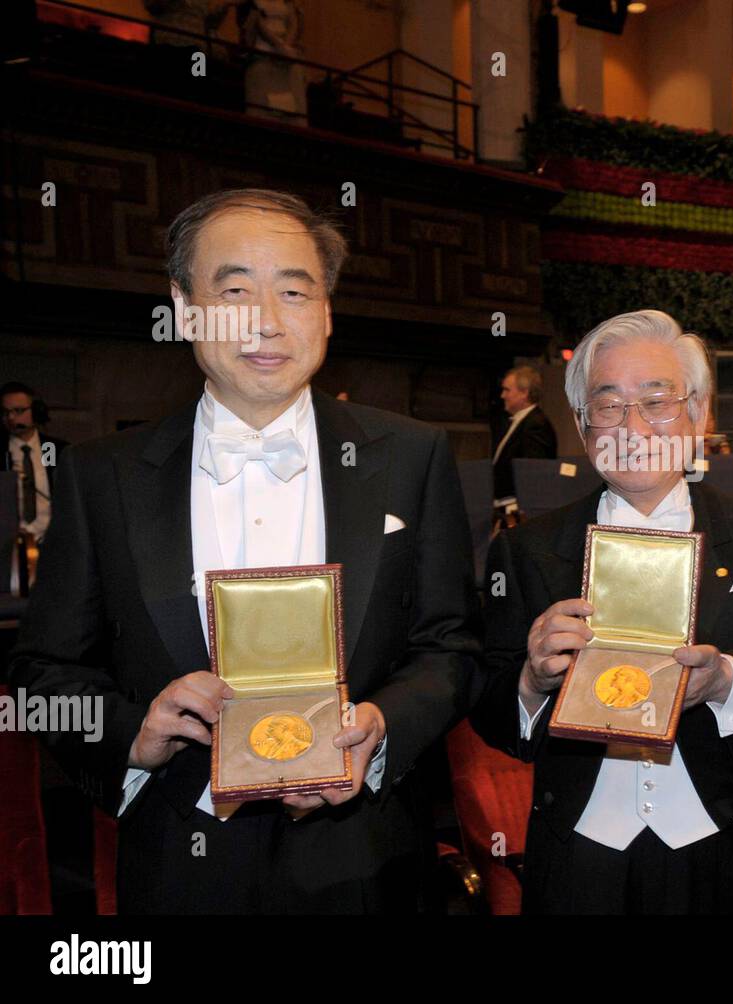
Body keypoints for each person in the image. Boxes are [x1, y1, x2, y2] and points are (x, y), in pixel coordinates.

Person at [8, 189, 483, 913]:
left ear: (326, 310)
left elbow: (451, 646)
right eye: (235, 290)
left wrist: (383, 727)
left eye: (295, 291)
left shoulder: (411, 456)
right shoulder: (102, 474)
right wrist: (133, 733)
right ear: (184, 305)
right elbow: (44, 670)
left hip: (370, 863)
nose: (266, 320)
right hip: (179, 862)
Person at [473, 309, 733, 914]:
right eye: (609, 404)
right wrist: (528, 681)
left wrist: (726, 681)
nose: (632, 425)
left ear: (698, 414)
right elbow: (485, 701)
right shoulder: (523, 550)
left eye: (657, 400)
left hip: (722, 841)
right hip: (577, 849)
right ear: (581, 421)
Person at [2, 381, 68, 549]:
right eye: (5, 412)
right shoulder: (3, 451)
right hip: (9, 546)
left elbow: (61, 490)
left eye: (18, 411)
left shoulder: (51, 448)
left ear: (37, 412)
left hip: (51, 543)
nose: (11, 418)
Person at [491, 364, 558, 507]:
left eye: (507, 390)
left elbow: (534, 473)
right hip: (505, 504)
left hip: (518, 507)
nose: (502, 395)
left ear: (524, 393)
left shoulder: (536, 424)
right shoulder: (519, 422)